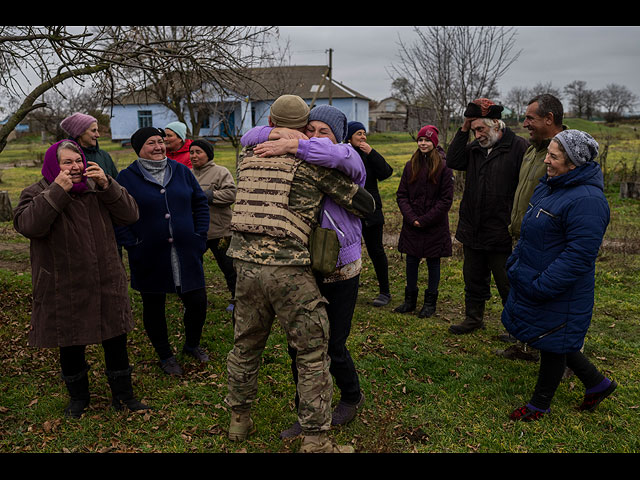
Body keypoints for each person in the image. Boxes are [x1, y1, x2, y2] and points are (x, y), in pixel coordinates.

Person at [225, 95, 375, 453]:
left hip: (244, 268)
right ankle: (316, 440)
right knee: (311, 353)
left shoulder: (246, 158)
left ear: (271, 120)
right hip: (290, 271)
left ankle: (239, 422)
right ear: (302, 127)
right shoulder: (307, 163)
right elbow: (364, 203)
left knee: (245, 345)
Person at [13, 139, 149, 418]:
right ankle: (78, 399)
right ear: (54, 165)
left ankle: (124, 397)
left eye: (79, 161)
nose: (75, 167)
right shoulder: (36, 192)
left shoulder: (97, 189)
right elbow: (29, 226)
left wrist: (109, 185)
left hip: (105, 278)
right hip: (64, 284)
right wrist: (57, 192)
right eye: (67, 162)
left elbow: (131, 214)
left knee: (115, 339)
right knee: (71, 342)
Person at [501, 129, 616, 421]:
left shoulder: (588, 200)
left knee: (553, 342)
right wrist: (516, 262)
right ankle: (597, 383)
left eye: (554, 156)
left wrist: (542, 285)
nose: (547, 161)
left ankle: (539, 405)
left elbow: (580, 254)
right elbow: (530, 232)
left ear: (573, 164)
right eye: (548, 154)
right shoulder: (550, 186)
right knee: (553, 336)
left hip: (560, 287)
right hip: (538, 278)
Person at [115, 127, 210, 377]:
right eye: (151, 143)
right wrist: (131, 243)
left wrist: (200, 236)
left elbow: (200, 203)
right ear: (139, 149)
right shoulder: (127, 177)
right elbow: (117, 215)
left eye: (161, 141)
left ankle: (192, 344)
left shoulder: (181, 171)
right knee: (154, 306)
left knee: (197, 302)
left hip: (186, 251)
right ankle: (165, 355)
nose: (158, 147)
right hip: (149, 254)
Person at [446, 98, 528, 334]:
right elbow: (453, 160)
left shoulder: (518, 148)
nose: (477, 135)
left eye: (480, 129)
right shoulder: (474, 149)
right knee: (473, 279)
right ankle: (473, 318)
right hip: (473, 227)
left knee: (507, 283)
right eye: (474, 130)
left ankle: (515, 328)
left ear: (496, 123)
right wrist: (464, 129)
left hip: (501, 229)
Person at [497, 94, 567, 360]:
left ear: (549, 119)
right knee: (522, 294)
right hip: (523, 236)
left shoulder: (566, 153)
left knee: (552, 300)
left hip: (548, 241)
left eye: (530, 118)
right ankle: (525, 345)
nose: (524, 123)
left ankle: (563, 357)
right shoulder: (531, 149)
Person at [394, 125, 454, 318]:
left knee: (433, 262)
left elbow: (446, 200)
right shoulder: (411, 165)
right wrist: (412, 218)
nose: (423, 143)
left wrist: (426, 220)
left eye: (427, 140)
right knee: (411, 260)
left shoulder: (444, 167)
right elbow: (402, 195)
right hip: (412, 224)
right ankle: (410, 300)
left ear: (434, 143)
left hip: (434, 225)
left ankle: (430, 303)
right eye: (420, 140)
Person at [346, 121, 394, 307]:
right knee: (350, 253)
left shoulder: (369, 155)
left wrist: (372, 153)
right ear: (349, 137)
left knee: (376, 251)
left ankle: (385, 292)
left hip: (372, 212)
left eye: (364, 133)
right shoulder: (345, 155)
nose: (363, 137)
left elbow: (386, 172)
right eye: (359, 133)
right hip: (350, 212)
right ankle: (349, 291)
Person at [190, 139, 238, 312]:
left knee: (229, 268)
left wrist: (205, 195)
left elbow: (231, 195)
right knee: (193, 267)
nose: (194, 156)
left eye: (198, 152)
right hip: (197, 232)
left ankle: (236, 299)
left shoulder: (220, 172)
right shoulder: (187, 173)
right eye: (192, 152)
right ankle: (196, 299)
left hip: (220, 231)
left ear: (208, 154)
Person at [60, 112, 119, 178]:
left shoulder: (105, 156)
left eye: (97, 130)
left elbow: (117, 185)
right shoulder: (64, 158)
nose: (98, 135)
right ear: (80, 132)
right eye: (93, 130)